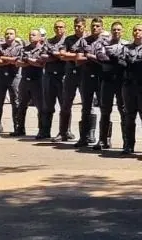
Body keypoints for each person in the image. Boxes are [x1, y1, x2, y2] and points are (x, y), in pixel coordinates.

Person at [118, 24, 142, 156]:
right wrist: (137, 62)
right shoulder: (126, 48)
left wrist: (133, 62)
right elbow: (121, 62)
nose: (137, 32)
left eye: (139, 30)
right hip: (129, 85)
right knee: (129, 116)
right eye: (135, 30)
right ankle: (128, 145)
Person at [90, 22, 125, 152]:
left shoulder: (126, 44)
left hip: (121, 81)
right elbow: (101, 57)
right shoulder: (104, 43)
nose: (116, 32)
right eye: (114, 29)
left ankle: (126, 142)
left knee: (124, 111)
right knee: (105, 111)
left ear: (123, 31)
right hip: (107, 80)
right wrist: (116, 60)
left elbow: (127, 60)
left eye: (119, 30)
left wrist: (117, 60)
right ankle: (103, 139)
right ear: (111, 31)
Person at [71, 18, 104, 146]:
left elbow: (105, 60)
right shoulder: (84, 41)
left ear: (102, 27)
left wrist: (89, 56)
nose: (95, 28)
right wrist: (95, 57)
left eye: (97, 26)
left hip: (101, 77)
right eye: (93, 26)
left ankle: (103, 138)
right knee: (86, 107)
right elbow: (78, 60)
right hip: (86, 76)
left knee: (104, 109)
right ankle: (84, 137)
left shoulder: (106, 41)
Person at [42, 20, 74, 142]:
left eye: (61, 27)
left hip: (63, 76)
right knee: (48, 104)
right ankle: (45, 130)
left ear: (65, 28)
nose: (58, 29)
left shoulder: (68, 41)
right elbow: (43, 56)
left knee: (64, 105)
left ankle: (65, 131)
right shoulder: (49, 41)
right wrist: (58, 56)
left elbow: (65, 56)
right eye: (56, 27)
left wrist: (55, 55)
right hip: (49, 75)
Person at [0, 27, 22, 136]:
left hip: (14, 77)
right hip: (1, 77)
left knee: (15, 102)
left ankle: (18, 127)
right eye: (7, 34)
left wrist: (3, 58)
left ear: (15, 36)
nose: (8, 36)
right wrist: (8, 60)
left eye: (11, 34)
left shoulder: (19, 47)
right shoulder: (0, 46)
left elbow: (17, 61)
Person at [12, 29, 46, 136]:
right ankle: (20, 128)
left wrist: (28, 60)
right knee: (21, 105)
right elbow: (17, 63)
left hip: (38, 81)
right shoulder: (24, 49)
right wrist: (30, 62)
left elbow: (41, 64)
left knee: (40, 107)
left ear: (40, 37)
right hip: (25, 80)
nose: (31, 36)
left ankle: (42, 130)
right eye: (30, 34)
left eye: (34, 35)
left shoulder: (43, 49)